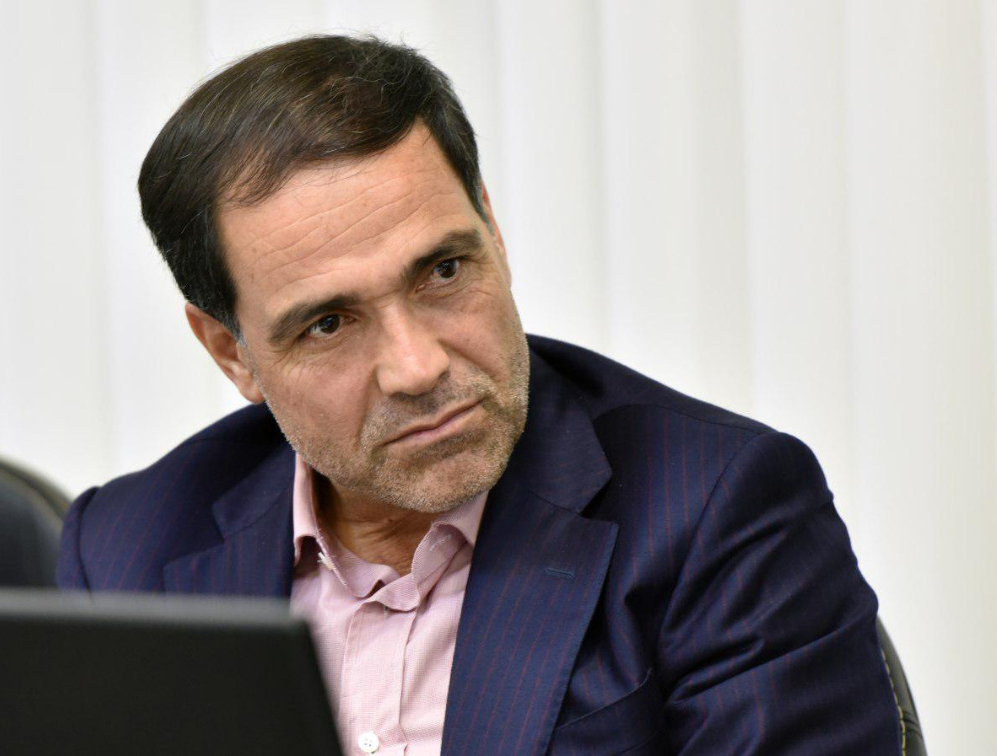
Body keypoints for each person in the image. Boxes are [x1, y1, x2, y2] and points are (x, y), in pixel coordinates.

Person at [57, 35, 903, 755]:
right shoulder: (127, 552)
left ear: (493, 231)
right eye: (329, 323)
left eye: (443, 271)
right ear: (230, 353)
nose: (417, 367)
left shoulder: (718, 510)